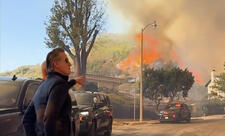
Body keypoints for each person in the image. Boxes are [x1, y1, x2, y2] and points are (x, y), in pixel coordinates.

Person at [23, 48, 84, 136]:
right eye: (66, 61)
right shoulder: (59, 84)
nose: (70, 64)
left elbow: (26, 119)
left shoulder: (42, 87)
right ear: (56, 64)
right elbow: (49, 118)